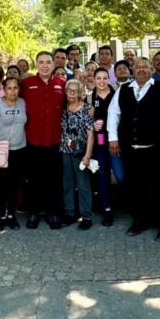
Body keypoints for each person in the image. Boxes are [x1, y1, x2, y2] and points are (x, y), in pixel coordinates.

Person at [107, 57, 160, 242]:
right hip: (132, 150)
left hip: (157, 149)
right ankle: (140, 221)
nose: (141, 70)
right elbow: (113, 114)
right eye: (138, 67)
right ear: (133, 70)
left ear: (151, 69)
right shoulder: (124, 90)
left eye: (145, 67)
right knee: (135, 188)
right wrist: (113, 139)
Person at [21, 51, 67, 230]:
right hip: (33, 139)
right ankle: (33, 212)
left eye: (48, 62)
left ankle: (53, 212)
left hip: (55, 140)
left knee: (53, 179)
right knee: (33, 179)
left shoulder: (61, 84)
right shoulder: (26, 84)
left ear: (53, 64)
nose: (45, 65)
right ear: (36, 64)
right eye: (41, 62)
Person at [0, 77, 27, 231]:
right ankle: (1, 216)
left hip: (19, 150)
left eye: (15, 88)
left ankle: (11, 215)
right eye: (9, 88)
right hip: (0, 151)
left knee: (14, 185)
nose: (12, 91)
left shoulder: (22, 103)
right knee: (1, 186)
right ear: (4, 88)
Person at [59, 79, 94, 230]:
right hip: (64, 151)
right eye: (69, 90)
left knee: (83, 184)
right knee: (67, 183)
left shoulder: (86, 109)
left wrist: (88, 155)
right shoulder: (62, 108)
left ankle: (86, 216)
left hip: (80, 151)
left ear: (80, 93)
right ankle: (70, 213)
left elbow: (91, 134)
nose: (72, 93)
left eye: (75, 91)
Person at [89, 67, 120, 226]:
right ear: (93, 80)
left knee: (121, 175)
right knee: (102, 175)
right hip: (99, 143)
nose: (101, 81)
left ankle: (127, 205)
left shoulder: (118, 94)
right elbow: (84, 122)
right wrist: (92, 123)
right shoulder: (89, 99)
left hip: (117, 143)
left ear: (109, 79)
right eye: (98, 78)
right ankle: (107, 209)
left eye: (104, 78)